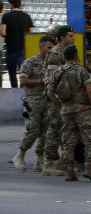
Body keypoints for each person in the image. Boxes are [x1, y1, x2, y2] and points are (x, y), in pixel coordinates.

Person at [48, 44, 91, 182]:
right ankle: (89, 169)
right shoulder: (81, 70)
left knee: (68, 142)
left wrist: (60, 106)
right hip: (82, 110)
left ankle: (70, 172)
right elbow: (89, 90)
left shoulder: (58, 72)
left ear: (64, 57)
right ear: (76, 56)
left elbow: (50, 92)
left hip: (66, 111)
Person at [12, 35, 55, 172]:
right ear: (41, 47)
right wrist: (40, 81)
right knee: (33, 130)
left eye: (52, 48)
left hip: (47, 100)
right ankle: (20, 155)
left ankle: (39, 160)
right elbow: (23, 81)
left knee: (45, 132)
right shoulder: (29, 63)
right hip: (32, 101)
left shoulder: (51, 65)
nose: (51, 51)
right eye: (49, 48)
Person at [42, 25, 74, 176]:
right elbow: (52, 79)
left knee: (66, 130)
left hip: (66, 98)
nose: (73, 38)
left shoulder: (68, 52)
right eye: (70, 36)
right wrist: (56, 100)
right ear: (62, 38)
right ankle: (47, 164)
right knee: (54, 129)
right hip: (56, 99)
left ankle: (64, 163)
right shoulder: (55, 54)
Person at [1, 0, 34, 88]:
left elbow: (3, 32)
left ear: (11, 4)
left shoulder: (6, 16)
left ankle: (14, 93)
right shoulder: (27, 16)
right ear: (20, 4)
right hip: (23, 50)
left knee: (12, 75)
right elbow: (31, 33)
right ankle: (23, 94)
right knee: (24, 75)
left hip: (11, 50)